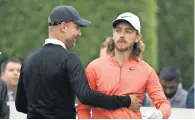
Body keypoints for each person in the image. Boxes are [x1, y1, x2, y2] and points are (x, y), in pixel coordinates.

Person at [15, 5, 141, 119]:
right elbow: (86, 96)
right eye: (77, 27)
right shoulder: (70, 59)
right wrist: (126, 101)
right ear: (64, 27)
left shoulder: (28, 61)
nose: (79, 33)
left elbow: (20, 105)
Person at [78, 12, 171, 119]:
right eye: (118, 30)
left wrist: (159, 114)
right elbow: (83, 108)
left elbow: (164, 104)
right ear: (113, 34)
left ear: (137, 37)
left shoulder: (147, 71)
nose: (122, 35)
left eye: (128, 31)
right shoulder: (94, 67)